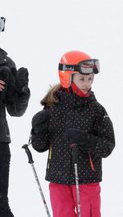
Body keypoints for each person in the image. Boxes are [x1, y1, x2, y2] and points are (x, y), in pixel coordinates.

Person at [30, 50, 115, 217]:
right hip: (58, 178)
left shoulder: (96, 110)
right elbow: (40, 147)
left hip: (87, 179)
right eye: (82, 79)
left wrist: (85, 140)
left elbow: (107, 146)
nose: (87, 84)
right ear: (67, 77)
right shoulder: (52, 108)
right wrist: (38, 129)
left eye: (90, 79)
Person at [0, 16, 30, 216]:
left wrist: (22, 90)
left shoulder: (5, 63)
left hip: (0, 142)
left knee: (2, 205)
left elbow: (16, 111)